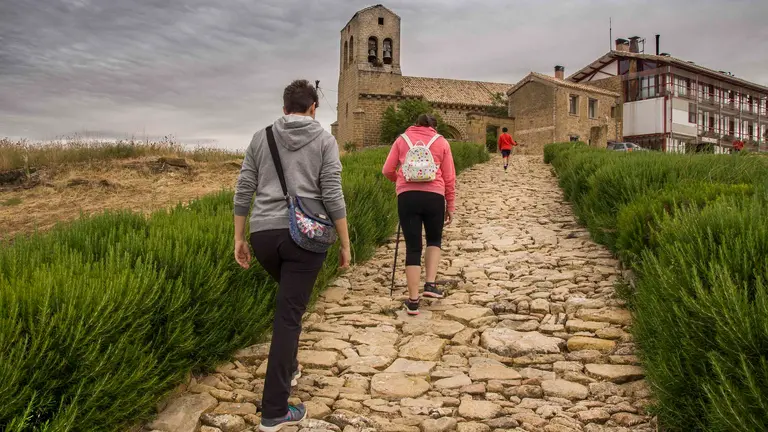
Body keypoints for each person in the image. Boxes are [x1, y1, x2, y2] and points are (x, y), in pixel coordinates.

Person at [233, 79, 351, 432]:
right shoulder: (324, 139)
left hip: (264, 235)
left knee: (289, 305)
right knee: (288, 316)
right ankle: (274, 410)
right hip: (305, 237)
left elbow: (244, 188)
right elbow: (332, 193)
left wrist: (239, 237)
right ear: (314, 107)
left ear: (285, 107)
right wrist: (345, 242)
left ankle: (290, 365)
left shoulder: (261, 137)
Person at [382, 114, 456, 316]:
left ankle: (413, 301)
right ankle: (430, 285)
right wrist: (450, 204)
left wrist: (401, 180)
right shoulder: (441, 142)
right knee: (434, 240)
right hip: (434, 196)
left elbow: (387, 169)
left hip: (408, 197)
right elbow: (449, 178)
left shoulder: (401, 140)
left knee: (413, 246)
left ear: (414, 124)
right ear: (434, 127)